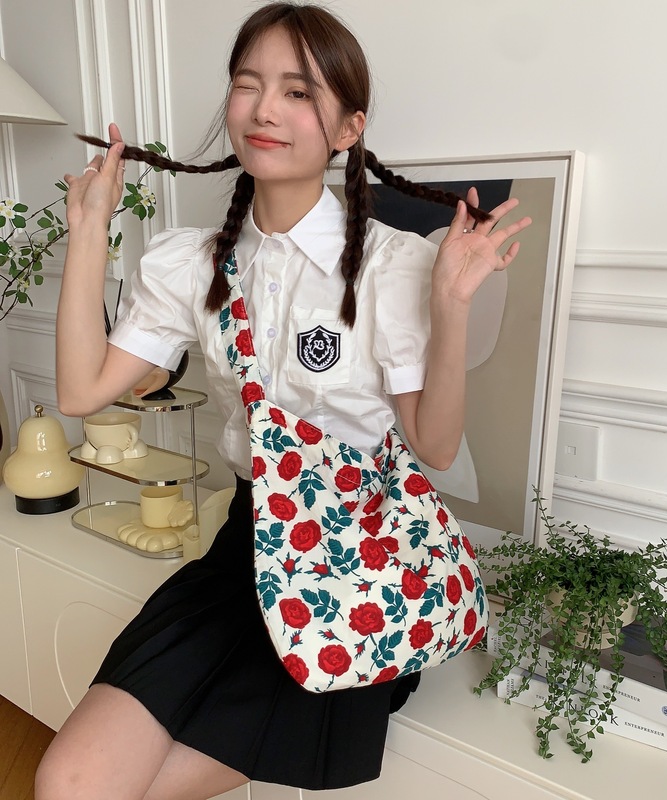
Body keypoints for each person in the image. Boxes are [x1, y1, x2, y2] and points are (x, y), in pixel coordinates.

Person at [37, 3, 531, 799]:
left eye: (299, 92)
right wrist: (89, 228)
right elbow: (80, 390)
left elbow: (435, 446)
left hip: (357, 571)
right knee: (69, 780)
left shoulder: (392, 266)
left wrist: (450, 306)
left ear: (348, 128)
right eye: (248, 84)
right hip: (241, 555)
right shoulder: (194, 264)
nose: (265, 109)